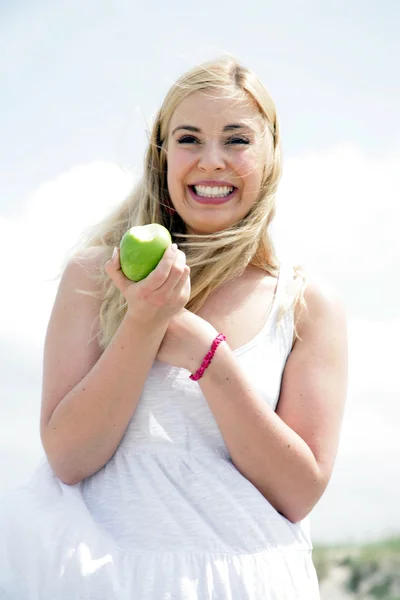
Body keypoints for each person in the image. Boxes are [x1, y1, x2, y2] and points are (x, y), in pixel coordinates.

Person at [0, 56, 348, 599]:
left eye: (236, 140)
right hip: (105, 580)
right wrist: (142, 324)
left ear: (270, 154)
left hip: (246, 583)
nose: (212, 162)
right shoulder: (95, 275)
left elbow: (297, 493)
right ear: (162, 156)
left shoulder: (304, 304)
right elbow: (68, 459)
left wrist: (209, 355)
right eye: (189, 139)